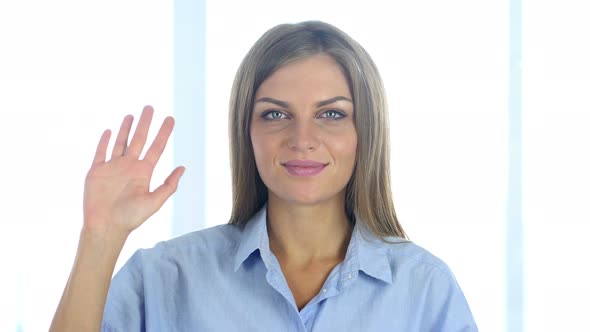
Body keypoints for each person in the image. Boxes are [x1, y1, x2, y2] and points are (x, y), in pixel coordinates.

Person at [50, 21, 478, 331]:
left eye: (331, 114)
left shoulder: (425, 288)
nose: (302, 138)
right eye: (275, 114)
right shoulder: (164, 277)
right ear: (247, 132)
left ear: (364, 132)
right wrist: (100, 237)